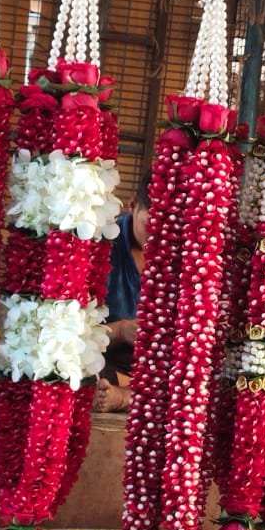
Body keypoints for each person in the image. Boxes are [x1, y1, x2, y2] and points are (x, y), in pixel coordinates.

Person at [95, 175, 151, 412]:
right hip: (108, 360)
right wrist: (120, 330)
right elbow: (73, 332)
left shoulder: (191, 253)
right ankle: (127, 393)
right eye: (150, 226)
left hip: (161, 369)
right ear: (132, 205)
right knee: (73, 369)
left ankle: (127, 397)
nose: (157, 238)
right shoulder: (102, 245)